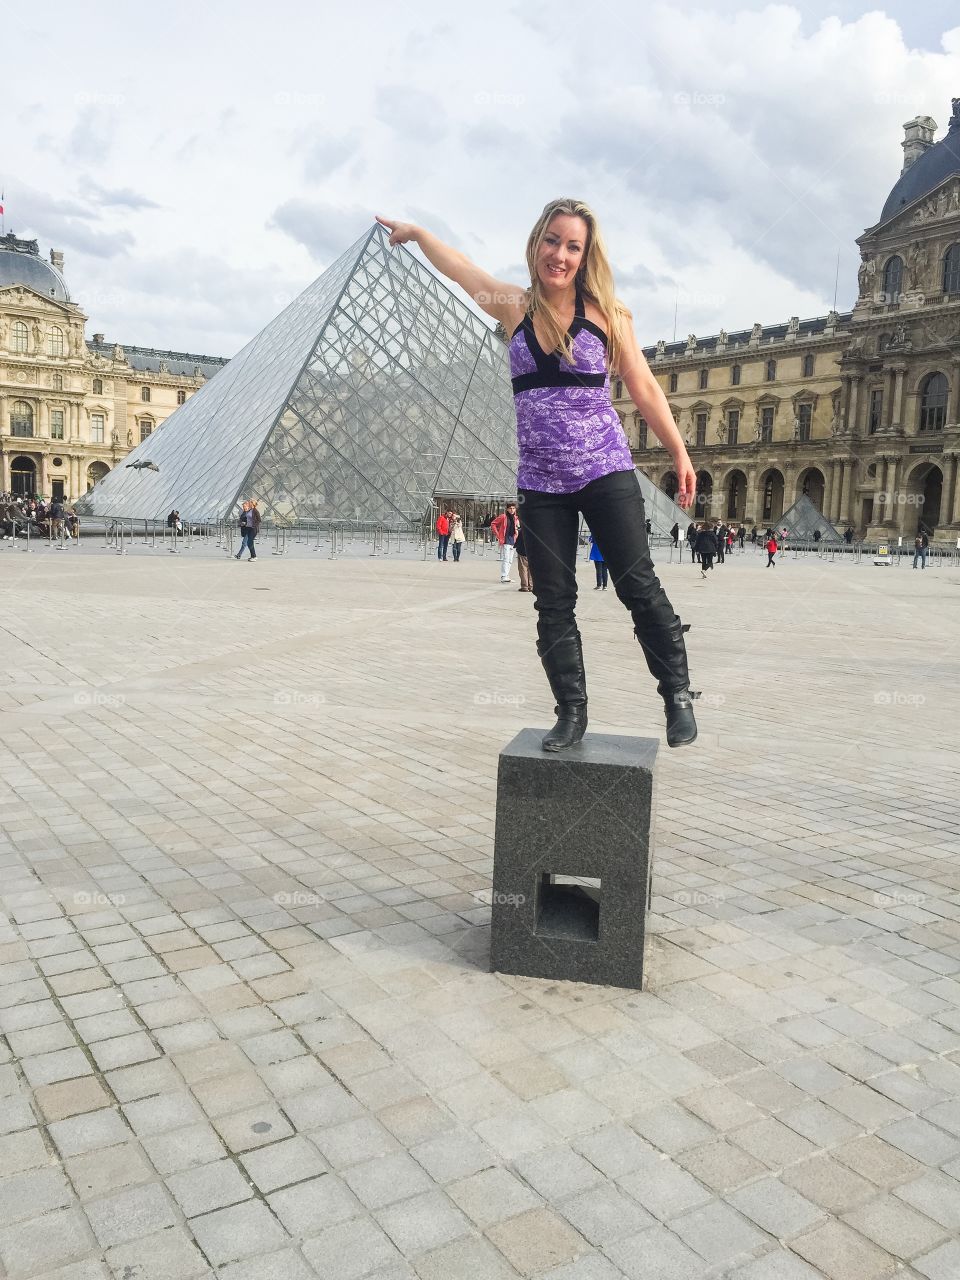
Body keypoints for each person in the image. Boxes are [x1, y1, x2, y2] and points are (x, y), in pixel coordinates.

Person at [377, 199, 699, 750]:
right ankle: (571, 713)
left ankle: (677, 695)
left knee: (638, 586)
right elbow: (459, 269)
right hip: (542, 482)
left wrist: (679, 452)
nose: (561, 254)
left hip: (605, 470)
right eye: (553, 241)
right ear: (537, 243)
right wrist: (420, 233)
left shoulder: (610, 315)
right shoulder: (513, 306)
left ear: (586, 254)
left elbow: (644, 388)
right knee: (553, 603)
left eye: (573, 246)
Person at [490, 501, 520, 584]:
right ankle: (503, 576)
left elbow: (517, 528)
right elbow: (493, 524)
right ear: (507, 509)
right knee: (506, 558)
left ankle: (507, 575)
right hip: (505, 540)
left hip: (512, 540)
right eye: (510, 508)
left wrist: (517, 532)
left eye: (513, 508)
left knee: (510, 559)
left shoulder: (515, 518)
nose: (512, 510)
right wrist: (498, 535)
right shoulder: (503, 517)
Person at [515, 523, 534, 592]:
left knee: (523, 569)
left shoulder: (523, 530)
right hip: (532, 552)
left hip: (522, 551)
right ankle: (531, 586)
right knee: (531, 570)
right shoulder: (535, 530)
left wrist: (516, 547)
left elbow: (518, 541)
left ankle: (524, 586)